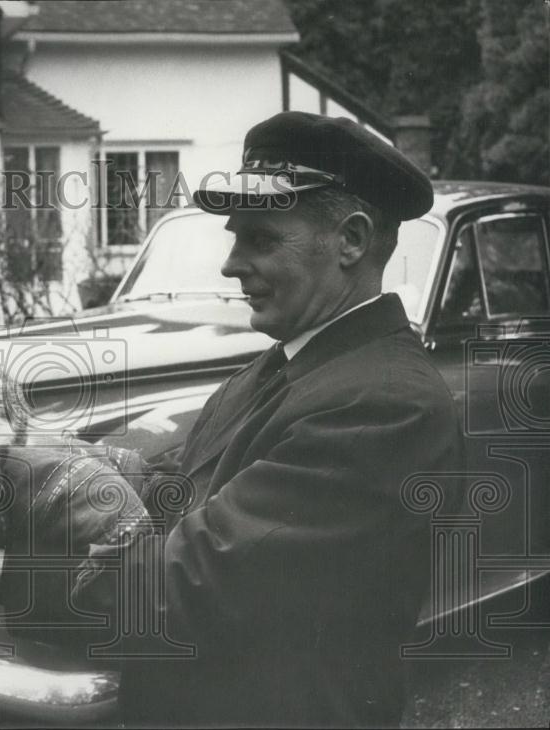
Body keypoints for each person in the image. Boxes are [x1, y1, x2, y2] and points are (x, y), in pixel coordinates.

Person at [116, 113, 464, 727]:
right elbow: (165, 500)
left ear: (350, 241)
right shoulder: (274, 372)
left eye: (261, 239)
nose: (229, 265)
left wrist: (7, 554)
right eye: (234, 238)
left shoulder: (385, 406)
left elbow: (190, 586)